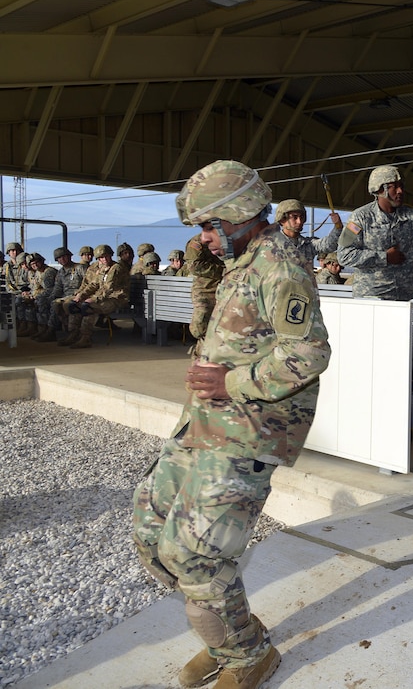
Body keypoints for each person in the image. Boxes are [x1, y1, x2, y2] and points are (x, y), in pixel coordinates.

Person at [132, 160, 330, 689]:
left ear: (238, 215)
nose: (203, 239)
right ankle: (228, 632)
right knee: (151, 533)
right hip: (203, 425)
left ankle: (247, 654)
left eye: (207, 225)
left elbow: (309, 355)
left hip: (248, 430)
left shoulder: (279, 266)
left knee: (194, 552)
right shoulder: (244, 259)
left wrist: (230, 383)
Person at [338, 165, 413, 301]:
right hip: (373, 297)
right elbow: (344, 255)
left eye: (401, 186)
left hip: (406, 296)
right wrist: (385, 257)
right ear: (379, 189)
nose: (400, 191)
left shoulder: (408, 214)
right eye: (394, 187)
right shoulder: (359, 218)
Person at [57, 244, 129, 349]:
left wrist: (93, 299)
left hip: (116, 298)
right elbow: (93, 284)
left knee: (89, 307)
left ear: (111, 255)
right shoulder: (103, 268)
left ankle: (86, 338)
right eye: (101, 257)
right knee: (75, 305)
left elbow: (109, 288)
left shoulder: (116, 268)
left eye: (106, 256)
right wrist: (80, 296)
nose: (104, 259)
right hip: (103, 297)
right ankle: (73, 334)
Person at [274, 198, 343, 265]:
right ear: (282, 219)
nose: (299, 221)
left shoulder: (307, 245)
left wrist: (338, 226)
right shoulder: (272, 244)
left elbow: (329, 245)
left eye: (301, 217)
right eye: (294, 217)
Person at [184, 232, 225, 343]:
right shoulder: (198, 241)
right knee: (201, 327)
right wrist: (223, 270)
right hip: (205, 289)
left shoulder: (231, 235)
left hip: (225, 287)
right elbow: (194, 266)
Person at [45, 246, 86, 342]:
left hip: (79, 295)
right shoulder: (61, 272)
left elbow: (88, 283)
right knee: (54, 304)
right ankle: (56, 330)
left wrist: (80, 294)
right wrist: (51, 297)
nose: (62, 259)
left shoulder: (80, 268)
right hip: (66, 296)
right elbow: (58, 287)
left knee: (68, 305)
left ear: (69, 256)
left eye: (64, 257)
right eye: (59, 258)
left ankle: (73, 333)